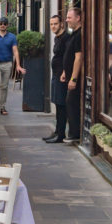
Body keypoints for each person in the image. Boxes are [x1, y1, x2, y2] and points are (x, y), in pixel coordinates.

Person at [43, 14, 70, 143]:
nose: (53, 26)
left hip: (62, 77)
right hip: (56, 75)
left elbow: (68, 57)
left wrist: (65, 71)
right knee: (57, 104)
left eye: (55, 24)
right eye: (51, 24)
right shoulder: (57, 38)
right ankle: (58, 131)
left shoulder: (66, 38)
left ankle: (61, 135)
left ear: (61, 24)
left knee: (61, 105)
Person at [0, 17, 24, 115]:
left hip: (7, 64)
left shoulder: (12, 37)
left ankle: (3, 107)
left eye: (5, 23)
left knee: (4, 86)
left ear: (7, 25)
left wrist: (18, 65)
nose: (3, 25)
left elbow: (15, 51)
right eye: (1, 23)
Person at [61, 6, 83, 143]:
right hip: (69, 76)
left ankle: (75, 134)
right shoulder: (74, 34)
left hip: (75, 78)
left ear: (78, 18)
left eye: (69, 17)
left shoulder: (80, 34)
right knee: (70, 102)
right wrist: (65, 71)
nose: (67, 20)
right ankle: (73, 133)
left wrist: (74, 78)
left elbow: (78, 58)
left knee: (72, 103)